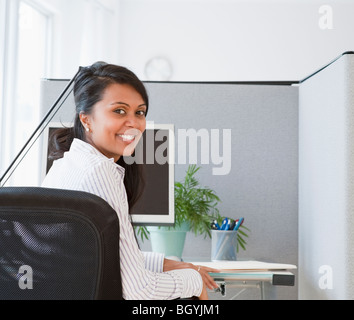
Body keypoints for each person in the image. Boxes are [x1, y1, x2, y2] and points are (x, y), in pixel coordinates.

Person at [41, 61, 219, 300]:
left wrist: (170, 264)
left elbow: (103, 258)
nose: (134, 123)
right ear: (86, 120)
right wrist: (194, 281)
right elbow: (140, 291)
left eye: (140, 112)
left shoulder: (66, 165)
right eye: (119, 111)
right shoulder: (100, 171)